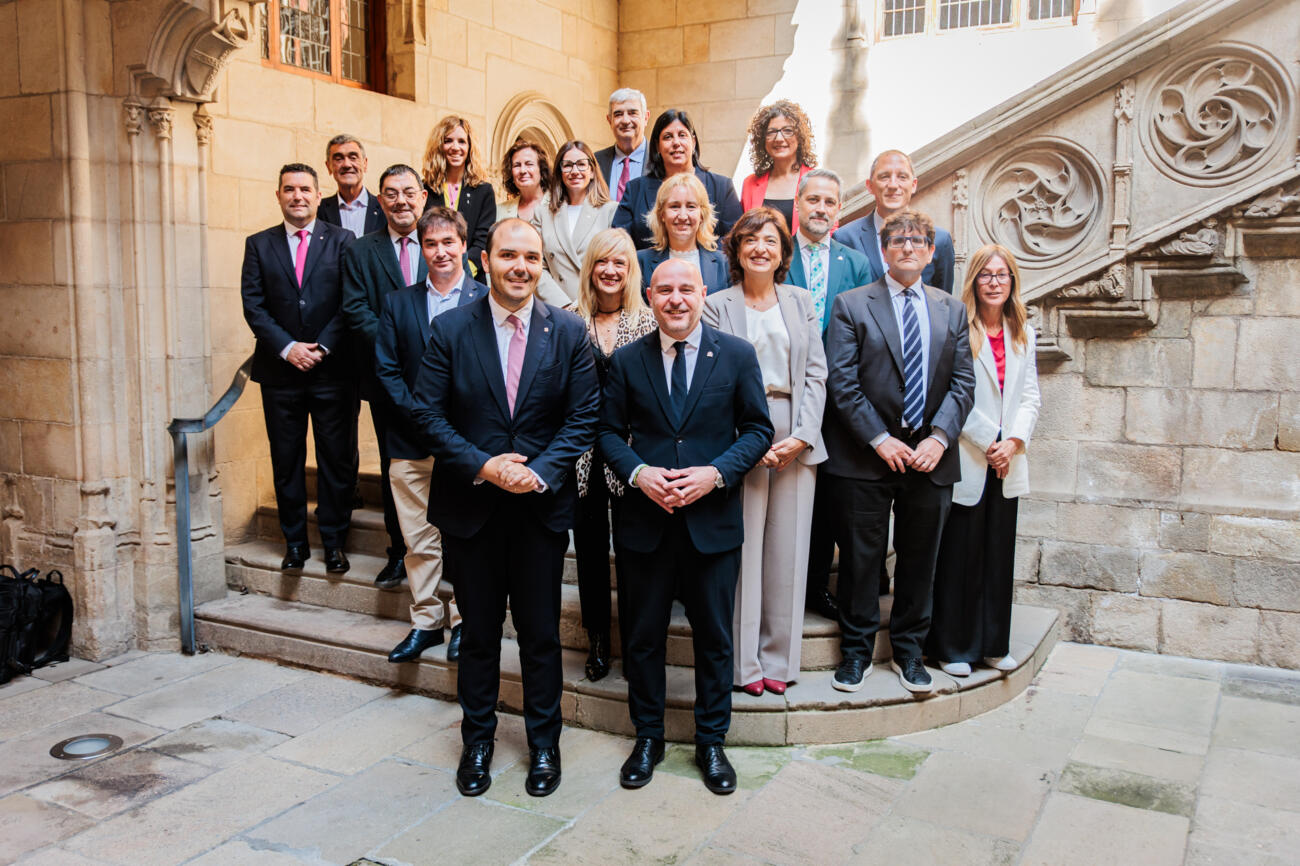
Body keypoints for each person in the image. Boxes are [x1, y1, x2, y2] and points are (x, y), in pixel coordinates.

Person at [410, 218, 599, 800]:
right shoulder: (450, 330)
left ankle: (545, 744)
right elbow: (427, 414)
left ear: (542, 266)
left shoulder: (568, 332)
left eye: (532, 257)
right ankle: (479, 741)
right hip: (472, 510)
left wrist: (536, 472)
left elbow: (584, 416)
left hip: (539, 513)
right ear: (484, 259)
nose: (521, 266)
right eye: (509, 255)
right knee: (481, 635)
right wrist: (488, 466)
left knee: (541, 636)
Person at [599, 258, 774, 795]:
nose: (676, 300)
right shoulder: (627, 361)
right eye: (665, 291)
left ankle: (711, 742)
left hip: (712, 524)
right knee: (644, 638)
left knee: (715, 640)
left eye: (686, 290)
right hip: (644, 524)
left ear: (703, 293)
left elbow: (758, 429)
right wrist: (639, 473)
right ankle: (647, 736)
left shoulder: (738, 355)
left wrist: (716, 473)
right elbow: (606, 433)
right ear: (649, 296)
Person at [823, 210, 975, 695]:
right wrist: (879, 438)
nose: (907, 247)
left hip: (930, 458)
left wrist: (938, 438)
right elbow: (842, 382)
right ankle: (855, 654)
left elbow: (963, 384)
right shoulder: (852, 305)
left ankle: (909, 652)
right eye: (898, 240)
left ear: (932, 254)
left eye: (918, 241)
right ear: (884, 250)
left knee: (919, 559)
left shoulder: (952, 309)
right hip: (866, 456)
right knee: (861, 561)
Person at [702, 208, 826, 697]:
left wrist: (803, 434)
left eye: (770, 241)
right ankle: (744, 663)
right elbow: (712, 381)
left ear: (782, 252)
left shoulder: (800, 301)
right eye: (750, 239)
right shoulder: (717, 304)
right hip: (738, 434)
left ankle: (779, 659)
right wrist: (744, 442)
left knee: (788, 551)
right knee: (744, 550)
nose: (760, 248)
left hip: (795, 428)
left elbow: (816, 373)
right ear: (736, 249)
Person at [374, 206, 485, 664]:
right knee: (418, 540)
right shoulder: (398, 303)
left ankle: (463, 621)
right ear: (421, 249)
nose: (440, 252)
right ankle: (425, 622)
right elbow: (386, 369)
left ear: (463, 246)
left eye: (448, 243)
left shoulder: (483, 300)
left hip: (464, 444)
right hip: (410, 441)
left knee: (462, 539)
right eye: (431, 244)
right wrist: (421, 417)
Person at [927, 244, 1040, 677]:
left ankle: (993, 643)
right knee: (959, 555)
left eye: (1003, 275)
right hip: (968, 457)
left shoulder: (1023, 331)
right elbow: (948, 393)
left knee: (997, 555)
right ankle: (953, 646)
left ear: (1012, 281)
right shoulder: (959, 327)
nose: (995, 282)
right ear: (973, 281)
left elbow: (1030, 396)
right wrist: (989, 438)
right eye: (986, 275)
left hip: (1006, 460)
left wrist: (1012, 441)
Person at [241, 163, 357, 575]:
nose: (298, 196)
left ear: (317, 193)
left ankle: (333, 542)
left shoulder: (343, 241)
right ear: (278, 196)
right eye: (289, 189)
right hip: (280, 376)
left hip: (333, 373)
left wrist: (322, 346)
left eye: (305, 189)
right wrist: (288, 348)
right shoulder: (259, 244)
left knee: (336, 461)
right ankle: (294, 543)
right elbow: (253, 305)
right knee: (286, 460)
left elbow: (350, 302)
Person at [566, 228, 657, 682]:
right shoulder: (566, 320)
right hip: (580, 458)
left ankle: (637, 639)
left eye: (619, 263)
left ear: (630, 270)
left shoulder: (648, 322)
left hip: (631, 454)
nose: (610, 270)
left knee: (635, 551)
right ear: (590, 267)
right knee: (589, 553)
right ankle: (598, 639)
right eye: (602, 261)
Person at [786, 168, 873, 623]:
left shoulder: (854, 263)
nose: (821, 208)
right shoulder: (777, 254)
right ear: (797, 204)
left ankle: (816, 585)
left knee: (825, 499)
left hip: (836, 400)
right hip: (786, 391)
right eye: (813, 199)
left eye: (830, 202)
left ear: (839, 210)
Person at [340, 164, 428, 589]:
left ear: (423, 196)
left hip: (441, 378)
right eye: (391, 194)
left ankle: (446, 551)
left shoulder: (440, 244)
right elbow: (357, 312)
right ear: (380, 202)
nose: (401, 201)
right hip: (387, 380)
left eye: (409, 192)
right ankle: (399, 551)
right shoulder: (360, 251)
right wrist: (401, 348)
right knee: (398, 469)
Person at [613, 109, 742, 250]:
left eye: (682, 135)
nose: (676, 143)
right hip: (648, 270)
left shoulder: (723, 187)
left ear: (693, 142)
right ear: (657, 147)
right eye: (668, 137)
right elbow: (619, 241)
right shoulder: (635, 189)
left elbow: (735, 239)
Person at [835, 150, 956, 294]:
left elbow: (942, 303)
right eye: (884, 177)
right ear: (869, 186)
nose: (893, 185)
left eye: (902, 177)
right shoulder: (845, 238)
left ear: (914, 185)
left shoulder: (940, 240)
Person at [534, 140, 618, 302]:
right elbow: (536, 265)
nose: (574, 171)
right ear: (560, 172)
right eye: (567, 165)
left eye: (581, 164)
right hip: (557, 307)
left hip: (597, 306)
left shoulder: (610, 211)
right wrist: (563, 305)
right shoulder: (542, 214)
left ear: (592, 171)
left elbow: (614, 265)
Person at [421, 115, 497, 278]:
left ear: (470, 147)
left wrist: (462, 271)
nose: (455, 147)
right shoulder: (425, 189)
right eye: (448, 140)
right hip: (431, 275)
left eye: (462, 141)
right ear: (439, 145)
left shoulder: (484, 191)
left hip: (471, 277)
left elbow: (483, 240)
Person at [635, 173, 730, 295]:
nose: (683, 216)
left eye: (691, 206)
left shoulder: (725, 263)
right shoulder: (640, 262)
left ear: (702, 215)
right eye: (674, 206)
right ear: (662, 214)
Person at [739, 100, 817, 235]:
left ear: (800, 137)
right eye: (771, 132)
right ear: (762, 140)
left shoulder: (816, 181)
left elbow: (829, 230)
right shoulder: (750, 184)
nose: (779, 138)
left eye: (787, 131)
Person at [318, 134, 384, 237]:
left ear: (365, 164)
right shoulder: (318, 210)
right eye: (339, 159)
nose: (347, 165)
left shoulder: (384, 208)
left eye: (353, 158)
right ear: (329, 166)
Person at [594, 88, 650, 203]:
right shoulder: (596, 162)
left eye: (632, 113)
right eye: (618, 114)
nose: (625, 120)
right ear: (609, 121)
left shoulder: (661, 161)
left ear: (646, 117)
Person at [498, 138, 551, 222]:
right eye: (517, 165)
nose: (522, 170)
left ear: (542, 170)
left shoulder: (558, 206)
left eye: (529, 164)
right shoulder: (499, 211)